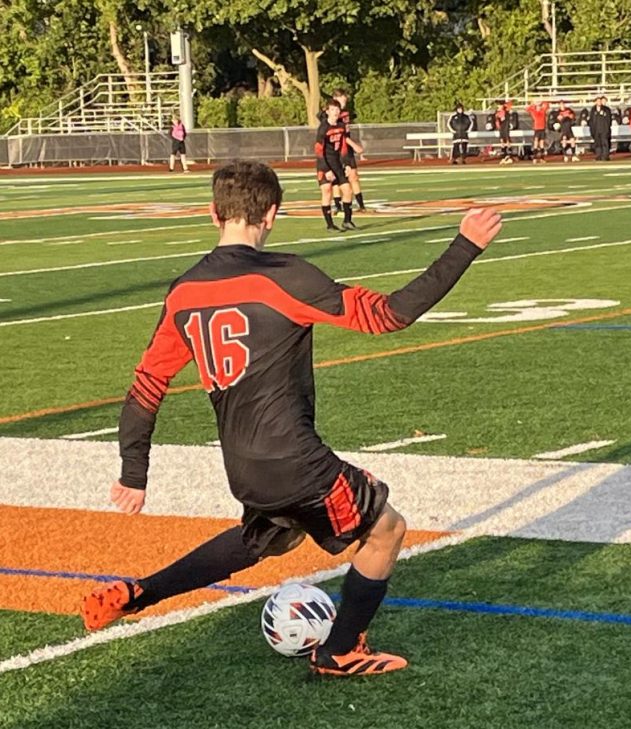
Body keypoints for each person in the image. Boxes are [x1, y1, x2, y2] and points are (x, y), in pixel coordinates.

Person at [80, 160, 503, 677]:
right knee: (386, 530)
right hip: (295, 461)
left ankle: (144, 592)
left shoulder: (184, 292)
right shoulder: (286, 278)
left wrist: (133, 473)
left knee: (270, 536)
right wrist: (466, 245)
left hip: (243, 468)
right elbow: (391, 314)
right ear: (273, 214)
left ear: (214, 213)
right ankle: (341, 651)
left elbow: (146, 389)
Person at [314, 100, 355, 232]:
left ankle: (347, 221)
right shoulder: (323, 128)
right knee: (327, 192)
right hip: (325, 163)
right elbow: (318, 150)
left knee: (348, 191)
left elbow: (343, 146)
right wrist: (326, 170)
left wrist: (347, 163)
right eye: (333, 110)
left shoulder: (341, 126)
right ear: (327, 112)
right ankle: (330, 224)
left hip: (337, 163)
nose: (336, 112)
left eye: (337, 109)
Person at [332, 89, 367, 212]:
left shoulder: (345, 112)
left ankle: (361, 205)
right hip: (338, 149)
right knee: (338, 178)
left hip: (347, 149)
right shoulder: (333, 115)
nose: (345, 99)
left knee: (354, 176)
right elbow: (339, 134)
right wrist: (354, 145)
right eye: (342, 97)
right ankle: (337, 205)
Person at [588, 96, 613, 161]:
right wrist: (592, 129)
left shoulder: (606, 109)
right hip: (596, 130)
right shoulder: (593, 109)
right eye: (598, 101)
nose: (599, 102)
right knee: (597, 143)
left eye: (600, 101)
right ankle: (598, 156)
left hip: (604, 129)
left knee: (604, 143)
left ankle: (605, 156)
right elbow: (591, 120)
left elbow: (609, 120)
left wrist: (607, 128)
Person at [526, 98, 551, 163]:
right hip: (537, 129)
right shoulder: (533, 111)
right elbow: (528, 109)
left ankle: (542, 158)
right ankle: (534, 157)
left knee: (542, 143)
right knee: (536, 143)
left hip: (542, 129)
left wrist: (541, 101)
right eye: (537, 107)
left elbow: (547, 105)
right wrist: (533, 103)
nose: (538, 107)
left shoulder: (543, 111)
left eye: (539, 106)